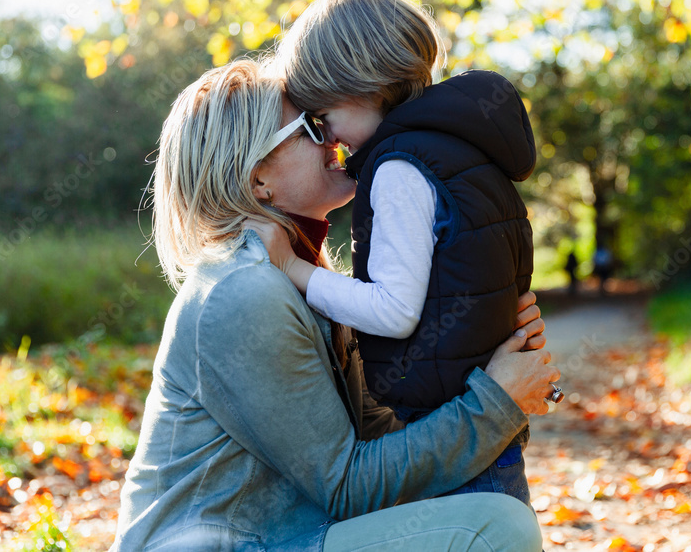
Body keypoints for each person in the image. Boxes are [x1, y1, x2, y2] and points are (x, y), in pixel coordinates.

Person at [110, 59, 558, 551]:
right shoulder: (245, 293)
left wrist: (491, 357)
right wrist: (495, 402)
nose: (333, 138)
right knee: (495, 528)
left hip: (284, 536)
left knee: (489, 514)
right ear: (259, 180)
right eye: (310, 127)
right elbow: (349, 485)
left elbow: (375, 436)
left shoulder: (298, 276)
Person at [251, 0, 540, 504]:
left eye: (324, 117)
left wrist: (293, 268)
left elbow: (393, 310)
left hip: (452, 429)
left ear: (361, 86)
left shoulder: (400, 167)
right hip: (478, 415)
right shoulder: (459, 150)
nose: (329, 138)